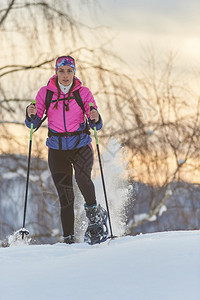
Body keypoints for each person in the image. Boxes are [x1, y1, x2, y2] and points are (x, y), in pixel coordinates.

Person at [25, 56, 108, 244]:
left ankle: (95, 218)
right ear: (56, 72)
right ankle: (69, 240)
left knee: (82, 179)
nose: (65, 75)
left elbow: (95, 120)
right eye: (61, 71)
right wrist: (30, 115)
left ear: (74, 72)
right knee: (66, 196)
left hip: (81, 146)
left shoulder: (83, 92)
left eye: (69, 71)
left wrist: (95, 117)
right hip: (57, 149)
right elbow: (34, 121)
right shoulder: (45, 93)